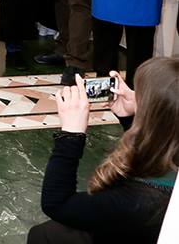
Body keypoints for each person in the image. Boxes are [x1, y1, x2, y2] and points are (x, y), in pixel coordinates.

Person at [28, 58, 178, 243]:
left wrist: (71, 135)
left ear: (152, 114)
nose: (134, 95)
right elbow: (158, 145)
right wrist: (132, 116)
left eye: (140, 95)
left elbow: (57, 203)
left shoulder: (136, 202)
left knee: (43, 234)